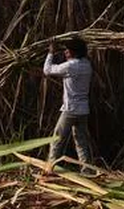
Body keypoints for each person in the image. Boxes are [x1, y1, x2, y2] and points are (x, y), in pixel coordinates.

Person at [43, 37, 93, 174]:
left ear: (74, 52)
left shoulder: (71, 66)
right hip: (83, 110)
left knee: (56, 139)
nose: (65, 52)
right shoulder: (87, 65)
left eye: (67, 50)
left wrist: (51, 53)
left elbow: (47, 70)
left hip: (70, 110)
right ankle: (86, 170)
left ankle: (50, 169)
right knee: (81, 142)